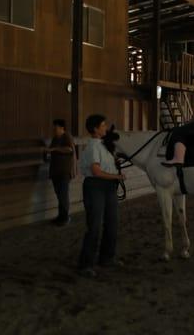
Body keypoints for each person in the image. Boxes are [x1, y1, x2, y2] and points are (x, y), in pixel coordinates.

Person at [78, 114, 126, 278]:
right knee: (95, 226)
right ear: (95, 129)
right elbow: (96, 171)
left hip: (108, 188)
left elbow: (106, 166)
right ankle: (85, 264)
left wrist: (115, 165)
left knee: (112, 223)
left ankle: (107, 257)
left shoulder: (105, 145)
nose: (106, 128)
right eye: (103, 125)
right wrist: (117, 177)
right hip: (95, 187)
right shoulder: (93, 147)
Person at [47, 119, 76, 226]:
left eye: (55, 127)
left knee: (63, 195)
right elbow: (51, 149)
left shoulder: (66, 136)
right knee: (59, 194)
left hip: (64, 171)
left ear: (61, 127)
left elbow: (69, 149)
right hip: (55, 170)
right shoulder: (55, 138)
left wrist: (55, 149)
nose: (54, 129)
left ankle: (65, 217)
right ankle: (61, 216)